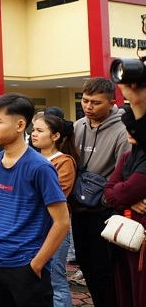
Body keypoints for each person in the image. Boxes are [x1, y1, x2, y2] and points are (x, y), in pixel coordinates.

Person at [0, 93, 70, 307]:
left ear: (20, 125)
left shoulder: (40, 168)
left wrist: (36, 264)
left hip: (26, 266)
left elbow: (62, 221)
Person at [72, 77, 130, 307]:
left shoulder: (123, 129)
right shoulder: (78, 126)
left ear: (111, 102)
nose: (88, 107)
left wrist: (106, 201)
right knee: (85, 265)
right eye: (85, 101)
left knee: (105, 270)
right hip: (79, 208)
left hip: (106, 212)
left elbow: (123, 173)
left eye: (95, 103)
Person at [30, 113, 79, 307]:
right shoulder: (30, 158)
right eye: (33, 130)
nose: (34, 134)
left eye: (40, 131)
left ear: (56, 136)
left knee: (55, 279)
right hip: (32, 228)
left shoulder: (64, 162)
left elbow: (55, 196)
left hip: (54, 228)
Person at [109, 77, 146, 306]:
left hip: (141, 238)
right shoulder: (127, 156)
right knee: (126, 287)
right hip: (124, 231)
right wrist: (128, 201)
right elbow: (109, 192)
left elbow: (124, 190)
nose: (130, 131)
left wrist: (123, 194)